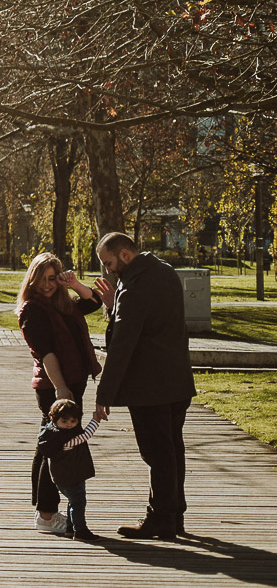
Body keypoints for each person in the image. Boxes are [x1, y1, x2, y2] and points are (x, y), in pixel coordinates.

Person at [94, 230, 196, 539]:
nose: (108, 270)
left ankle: (161, 518)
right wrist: (115, 304)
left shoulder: (135, 287)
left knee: (156, 453)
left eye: (109, 263)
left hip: (150, 386)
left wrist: (104, 394)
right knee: (171, 449)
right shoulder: (164, 271)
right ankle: (173, 514)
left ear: (125, 254)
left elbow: (123, 344)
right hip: (177, 380)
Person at [16, 252, 103, 535]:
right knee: (51, 450)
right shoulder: (32, 310)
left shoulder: (63, 305)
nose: (47, 285)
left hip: (73, 384)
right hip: (54, 387)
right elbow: (46, 353)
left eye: (52, 278)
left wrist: (75, 284)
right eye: (41, 279)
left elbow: (94, 301)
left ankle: (48, 514)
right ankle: (46, 515)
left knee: (52, 448)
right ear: (31, 279)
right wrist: (61, 389)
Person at [36, 398, 103, 541]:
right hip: (71, 475)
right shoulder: (66, 439)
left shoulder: (51, 433)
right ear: (54, 420)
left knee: (73, 501)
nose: (69, 425)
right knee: (78, 502)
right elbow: (86, 435)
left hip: (62, 476)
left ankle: (69, 528)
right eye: (64, 421)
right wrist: (96, 420)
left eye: (73, 421)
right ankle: (80, 530)